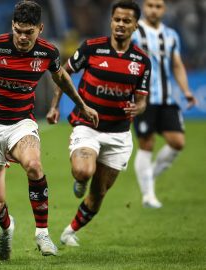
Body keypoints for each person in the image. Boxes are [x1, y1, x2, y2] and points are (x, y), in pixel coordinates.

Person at [0, 0, 98, 260]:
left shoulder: (47, 53)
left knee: (34, 165)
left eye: (28, 32)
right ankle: (7, 228)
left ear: (40, 28)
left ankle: (42, 233)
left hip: (21, 123)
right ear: (12, 26)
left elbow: (62, 79)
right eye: (18, 30)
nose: (22, 37)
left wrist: (82, 105)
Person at [46, 0, 151, 247]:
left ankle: (70, 231)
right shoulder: (92, 48)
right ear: (111, 21)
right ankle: (81, 178)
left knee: (98, 194)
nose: (121, 25)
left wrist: (138, 108)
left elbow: (142, 100)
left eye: (127, 21)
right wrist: (53, 106)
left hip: (119, 135)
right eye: (117, 20)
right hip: (87, 126)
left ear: (135, 25)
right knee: (84, 170)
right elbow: (63, 73)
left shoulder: (142, 61)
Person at [131, 0, 197, 209]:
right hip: (142, 98)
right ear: (144, 7)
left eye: (158, 6)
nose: (153, 9)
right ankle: (148, 196)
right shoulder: (134, 31)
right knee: (147, 144)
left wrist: (186, 90)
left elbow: (176, 64)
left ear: (164, 9)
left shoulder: (170, 35)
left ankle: (149, 175)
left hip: (166, 98)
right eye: (150, 5)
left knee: (177, 142)